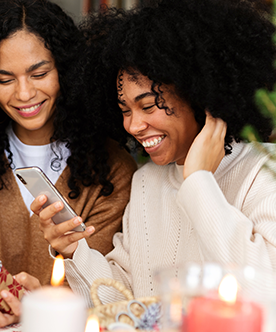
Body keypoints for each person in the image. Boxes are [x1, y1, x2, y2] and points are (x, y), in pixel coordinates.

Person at [32, 0, 276, 306]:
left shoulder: (266, 171)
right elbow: (125, 298)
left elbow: (266, 292)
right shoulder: (148, 180)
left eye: (148, 106)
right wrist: (74, 250)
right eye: (124, 110)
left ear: (200, 94)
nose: (133, 125)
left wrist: (199, 182)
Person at [0, 0, 137, 325]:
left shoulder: (111, 171)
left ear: (66, 70)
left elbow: (107, 289)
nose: (24, 94)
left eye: (39, 73)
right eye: (5, 79)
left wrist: (38, 302)